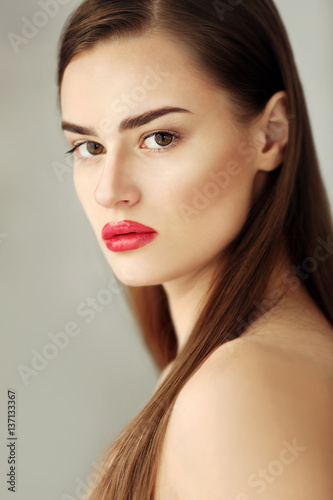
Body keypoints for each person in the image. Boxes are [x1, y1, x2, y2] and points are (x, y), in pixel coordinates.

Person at [57, 0, 333, 498]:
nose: (109, 189)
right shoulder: (217, 373)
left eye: (159, 137)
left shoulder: (239, 389)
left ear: (271, 133)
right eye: (89, 148)